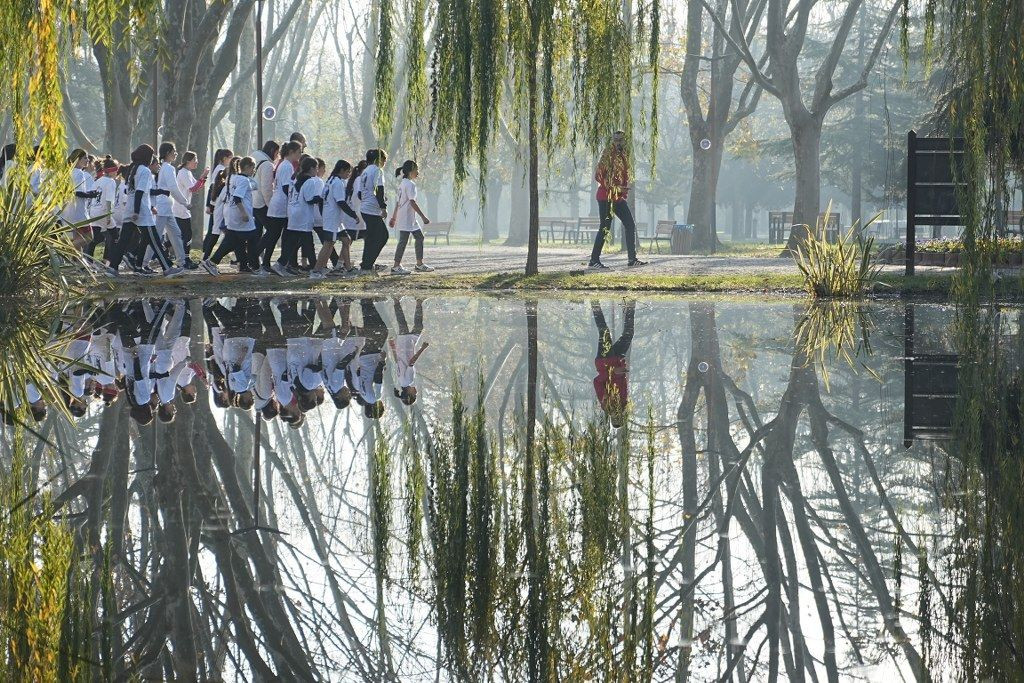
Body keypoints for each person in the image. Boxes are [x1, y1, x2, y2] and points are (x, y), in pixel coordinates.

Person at [589, 130, 646, 270]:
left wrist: (624, 187)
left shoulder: (624, 155)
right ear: (612, 141)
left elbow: (623, 175)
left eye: (621, 139)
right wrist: (616, 188)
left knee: (630, 224)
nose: (618, 142)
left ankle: (632, 259)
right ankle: (594, 260)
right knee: (605, 227)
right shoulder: (608, 154)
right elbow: (598, 175)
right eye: (616, 140)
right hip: (606, 196)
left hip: (618, 197)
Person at [122, 144, 182, 276]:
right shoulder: (144, 170)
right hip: (141, 211)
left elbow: (134, 190)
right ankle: (167, 268)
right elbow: (139, 192)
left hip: (134, 208)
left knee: (127, 240)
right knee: (154, 240)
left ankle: (124, 266)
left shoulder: (133, 169)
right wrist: (137, 211)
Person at [204, 157, 258, 275]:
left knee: (236, 240)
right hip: (240, 215)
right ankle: (213, 261)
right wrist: (244, 213)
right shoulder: (244, 181)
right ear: (248, 167)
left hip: (231, 213)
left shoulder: (234, 178)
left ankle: (243, 265)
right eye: (253, 168)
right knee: (250, 237)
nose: (253, 171)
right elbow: (237, 197)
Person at [272, 156, 322, 276]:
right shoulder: (310, 181)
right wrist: (320, 197)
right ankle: (315, 270)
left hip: (294, 213)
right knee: (309, 244)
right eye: (316, 168)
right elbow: (309, 199)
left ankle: (280, 264)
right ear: (311, 168)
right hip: (303, 216)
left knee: (292, 242)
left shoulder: (296, 179)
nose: (317, 170)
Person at [258, 141, 301, 273]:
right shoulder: (287, 166)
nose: (300, 155)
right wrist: (294, 200)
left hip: (279, 204)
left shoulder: (283, 164)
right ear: (292, 152)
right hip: (281, 206)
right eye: (299, 152)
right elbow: (286, 187)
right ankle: (253, 257)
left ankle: (266, 262)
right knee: (274, 236)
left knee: (273, 235)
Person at [591, 299, 635, 427]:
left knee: (604, 331)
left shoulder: (605, 403)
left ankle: (594, 302)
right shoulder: (624, 403)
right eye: (619, 419)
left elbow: (597, 381)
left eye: (614, 419)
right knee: (628, 334)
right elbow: (622, 381)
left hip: (605, 361)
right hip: (617, 359)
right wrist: (622, 368)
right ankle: (630, 303)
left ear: (611, 418)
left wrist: (612, 371)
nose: (617, 416)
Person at [312, 159, 357, 278]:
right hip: (332, 218)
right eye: (347, 172)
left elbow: (321, 200)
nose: (348, 175)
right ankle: (316, 270)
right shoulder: (337, 182)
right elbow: (341, 202)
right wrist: (353, 215)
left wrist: (323, 214)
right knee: (328, 244)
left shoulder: (329, 180)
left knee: (346, 240)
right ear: (341, 170)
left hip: (334, 218)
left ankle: (348, 269)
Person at [151, 142, 193, 269]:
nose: (176, 153)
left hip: (166, 208)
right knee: (155, 237)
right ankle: (143, 262)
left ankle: (181, 261)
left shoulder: (164, 167)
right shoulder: (168, 168)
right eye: (174, 151)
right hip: (163, 208)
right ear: (168, 153)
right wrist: (185, 202)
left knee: (176, 234)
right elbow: (173, 188)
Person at [389, 160, 434, 274]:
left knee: (419, 237)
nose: (418, 172)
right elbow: (412, 202)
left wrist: (394, 218)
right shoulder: (410, 184)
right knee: (403, 241)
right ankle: (396, 266)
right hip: (407, 218)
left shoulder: (403, 183)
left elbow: (398, 203)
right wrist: (423, 217)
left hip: (408, 218)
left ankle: (419, 264)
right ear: (410, 171)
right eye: (416, 169)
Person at [388, 296, 428, 404]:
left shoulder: (408, 380)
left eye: (414, 395)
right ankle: (416, 301)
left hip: (406, 347)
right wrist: (393, 347)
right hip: (403, 346)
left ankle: (403, 300)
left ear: (409, 394)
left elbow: (411, 363)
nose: (416, 392)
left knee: (404, 323)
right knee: (412, 325)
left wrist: (422, 349)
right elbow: (397, 362)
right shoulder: (401, 381)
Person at [355, 148, 389, 274]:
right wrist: (383, 207)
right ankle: (367, 265)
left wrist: (369, 199)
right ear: (379, 159)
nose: (384, 162)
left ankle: (366, 263)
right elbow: (379, 190)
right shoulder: (377, 170)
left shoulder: (364, 172)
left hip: (365, 208)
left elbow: (360, 194)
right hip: (372, 210)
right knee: (382, 236)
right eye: (384, 160)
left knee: (371, 238)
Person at [173, 150, 209, 268]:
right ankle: (184, 260)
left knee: (185, 235)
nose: (197, 162)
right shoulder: (183, 173)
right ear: (188, 161)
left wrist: (203, 178)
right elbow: (193, 188)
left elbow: (197, 187)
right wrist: (203, 176)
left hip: (184, 210)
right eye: (195, 160)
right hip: (180, 210)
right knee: (186, 235)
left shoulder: (187, 172)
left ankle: (184, 259)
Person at [62, 148, 101, 250]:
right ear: (78, 160)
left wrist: (89, 193)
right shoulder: (79, 173)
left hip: (69, 210)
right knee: (89, 237)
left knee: (78, 237)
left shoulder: (69, 172)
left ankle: (79, 264)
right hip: (79, 212)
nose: (87, 160)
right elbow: (77, 192)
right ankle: (65, 248)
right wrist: (90, 195)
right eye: (85, 158)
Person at [251, 139, 279, 268]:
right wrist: (270, 205)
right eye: (277, 153)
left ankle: (254, 261)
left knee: (258, 233)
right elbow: (267, 188)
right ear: (273, 151)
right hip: (263, 204)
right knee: (273, 231)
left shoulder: (255, 159)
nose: (277, 156)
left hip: (254, 201)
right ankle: (257, 259)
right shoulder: (267, 165)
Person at [86, 156, 120, 260]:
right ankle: (112, 259)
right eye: (115, 170)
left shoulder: (97, 181)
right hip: (104, 213)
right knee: (116, 237)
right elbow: (109, 199)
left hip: (94, 212)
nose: (116, 173)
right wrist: (109, 215)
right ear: (111, 171)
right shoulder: (111, 182)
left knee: (97, 238)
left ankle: (88, 261)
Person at [202, 148, 233, 261]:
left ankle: (206, 255)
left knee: (215, 231)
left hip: (217, 204)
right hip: (217, 206)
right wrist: (210, 204)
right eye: (230, 158)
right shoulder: (221, 169)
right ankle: (206, 256)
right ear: (224, 158)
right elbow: (213, 188)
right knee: (215, 232)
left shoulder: (221, 168)